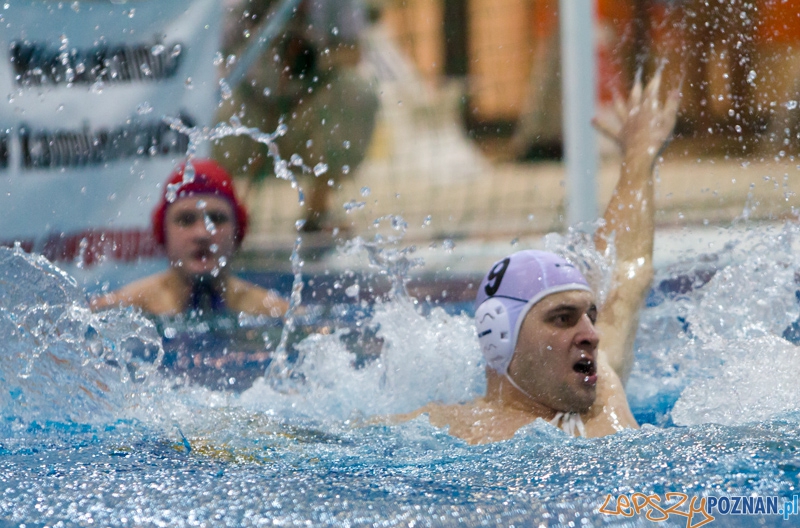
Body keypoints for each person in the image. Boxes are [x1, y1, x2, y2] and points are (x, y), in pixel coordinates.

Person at [397, 73, 679, 443]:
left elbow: (627, 275)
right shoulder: (451, 432)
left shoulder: (605, 394)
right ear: (501, 337)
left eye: (590, 316)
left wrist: (639, 153)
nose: (592, 335)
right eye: (562, 318)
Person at [214, 0, 379, 232]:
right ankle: (218, 211)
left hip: (307, 107)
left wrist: (314, 59)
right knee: (211, 104)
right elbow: (214, 50)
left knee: (357, 92)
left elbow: (354, 52)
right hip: (250, 105)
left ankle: (317, 211)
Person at [91, 158, 288, 318]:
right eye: (186, 220)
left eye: (217, 219)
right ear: (162, 232)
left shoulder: (275, 313)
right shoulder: (118, 309)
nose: (202, 234)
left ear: (239, 231)